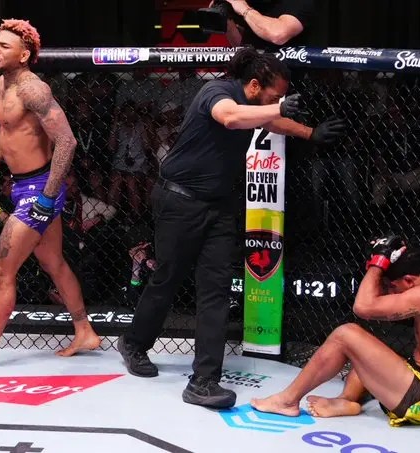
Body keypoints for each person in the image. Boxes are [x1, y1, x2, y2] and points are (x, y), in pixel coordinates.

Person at [117, 47, 345, 409]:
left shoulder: (256, 107)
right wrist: (278, 108)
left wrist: (310, 132)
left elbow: (267, 121)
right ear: (253, 86)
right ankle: (133, 342)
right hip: (179, 200)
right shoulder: (218, 92)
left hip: (219, 206)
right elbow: (232, 118)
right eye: (274, 96)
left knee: (217, 289)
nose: (278, 102)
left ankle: (204, 381)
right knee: (168, 277)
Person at [0, 19, 100, 369]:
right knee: (53, 262)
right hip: (20, 185)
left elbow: (67, 142)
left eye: (4, 46)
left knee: (2, 271)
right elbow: (4, 133)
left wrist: (47, 197)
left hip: (41, 188)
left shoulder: (34, 90)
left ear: (23, 55)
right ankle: (84, 331)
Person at [251, 234, 420, 427]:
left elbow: (362, 307)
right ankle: (347, 400)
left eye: (391, 286)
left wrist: (378, 264)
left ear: (409, 280)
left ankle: (288, 401)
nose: (389, 292)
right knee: (365, 352)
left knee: (345, 334)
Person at [216, 0, 315, 50]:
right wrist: (226, 18)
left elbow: (278, 35)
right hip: (251, 73)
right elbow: (244, 45)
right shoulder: (258, 4)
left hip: (285, 77)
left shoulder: (298, 2)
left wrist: (244, 9)